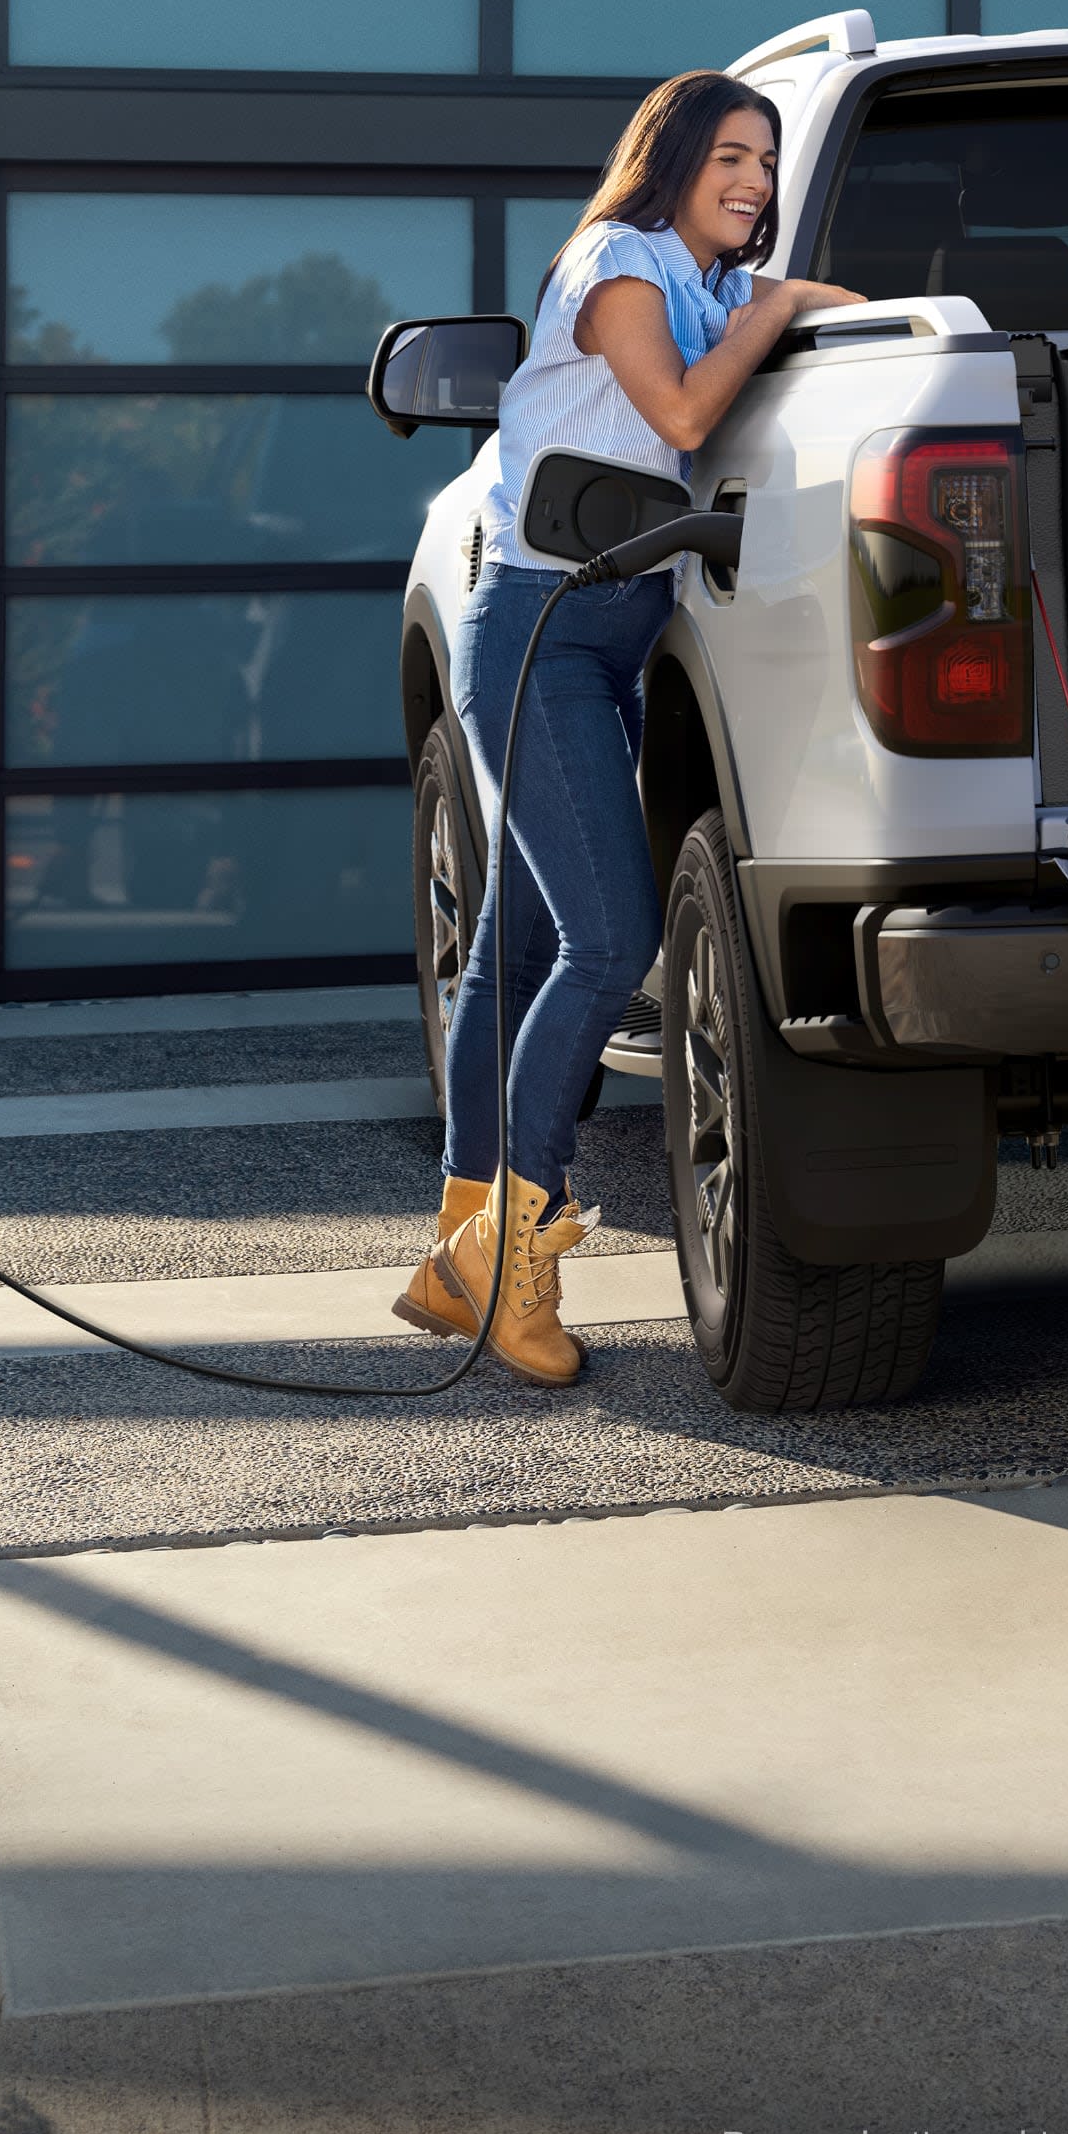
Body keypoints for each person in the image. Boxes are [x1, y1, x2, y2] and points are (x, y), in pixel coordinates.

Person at [395, 70, 862, 1385]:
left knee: (517, 940)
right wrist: (775, 306)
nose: (754, 183)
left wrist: (817, 306)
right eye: (730, 156)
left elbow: (800, 331)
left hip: (603, 641)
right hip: (537, 632)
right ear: (670, 161)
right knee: (610, 939)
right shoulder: (620, 266)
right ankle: (514, 1246)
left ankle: (461, 1246)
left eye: (766, 163)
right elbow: (682, 414)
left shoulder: (703, 281)